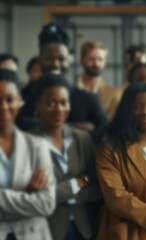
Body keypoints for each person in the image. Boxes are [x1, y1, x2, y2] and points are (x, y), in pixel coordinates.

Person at [30, 74, 101, 240]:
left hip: (84, 228)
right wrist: (77, 183)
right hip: (46, 230)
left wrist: (60, 195)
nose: (59, 109)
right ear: (37, 106)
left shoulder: (82, 138)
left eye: (64, 102)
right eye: (50, 103)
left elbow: (97, 188)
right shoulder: (28, 143)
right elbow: (35, 198)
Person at [96, 83, 146, 240]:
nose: (145, 112)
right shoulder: (109, 149)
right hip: (129, 232)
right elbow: (116, 198)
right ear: (127, 110)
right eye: (137, 107)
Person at [17, 22, 109, 133]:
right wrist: (75, 126)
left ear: (69, 62)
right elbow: (15, 124)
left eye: (61, 59)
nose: (55, 64)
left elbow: (105, 129)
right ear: (40, 60)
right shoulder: (23, 97)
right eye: (49, 58)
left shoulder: (88, 99)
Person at [0, 69, 55, 240]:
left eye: (9, 99)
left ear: (19, 101)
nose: (3, 107)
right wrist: (28, 193)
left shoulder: (37, 145)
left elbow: (47, 204)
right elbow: (37, 204)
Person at [74, 40, 118, 120]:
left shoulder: (113, 94)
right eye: (91, 59)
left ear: (104, 62)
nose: (96, 64)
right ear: (81, 61)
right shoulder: (69, 90)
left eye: (100, 59)